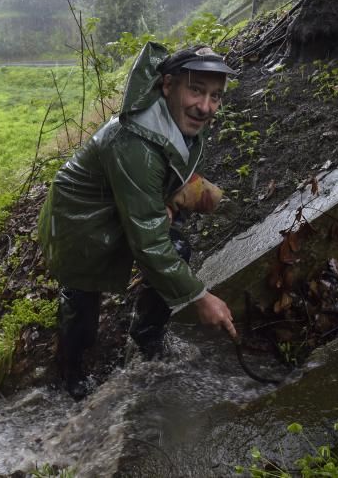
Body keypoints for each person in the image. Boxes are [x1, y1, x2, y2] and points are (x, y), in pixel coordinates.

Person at [37, 42, 238, 399]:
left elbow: (166, 168)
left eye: (215, 96)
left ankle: (146, 335)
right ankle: (71, 374)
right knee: (82, 299)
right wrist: (200, 297)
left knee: (177, 247)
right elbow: (148, 242)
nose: (206, 107)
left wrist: (174, 199)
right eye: (196, 90)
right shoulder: (135, 143)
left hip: (118, 205)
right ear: (167, 85)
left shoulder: (173, 119)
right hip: (78, 221)